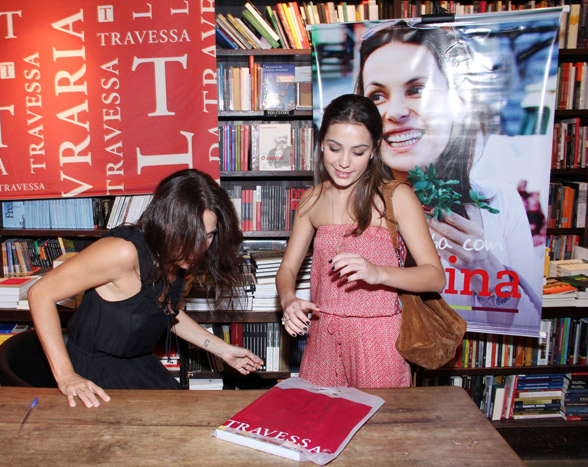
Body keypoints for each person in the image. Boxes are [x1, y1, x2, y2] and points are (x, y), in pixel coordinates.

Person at [355, 22, 542, 331]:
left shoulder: (501, 202)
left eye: (416, 90)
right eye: (377, 96)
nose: (396, 111)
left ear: (454, 101)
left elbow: (525, 325)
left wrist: (487, 268)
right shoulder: (355, 205)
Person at [29, 169, 263, 408]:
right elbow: (40, 294)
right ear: (165, 223)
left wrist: (222, 350)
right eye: (190, 235)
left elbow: (165, 310)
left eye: (209, 236)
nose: (200, 248)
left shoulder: (176, 258)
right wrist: (66, 376)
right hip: (94, 372)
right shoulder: (122, 252)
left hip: (137, 364)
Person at [276, 94, 446, 388]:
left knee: (381, 430)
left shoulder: (397, 196)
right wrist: (288, 299)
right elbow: (288, 269)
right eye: (334, 148)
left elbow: (435, 277)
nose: (343, 162)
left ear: (374, 150)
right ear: (321, 144)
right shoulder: (311, 200)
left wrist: (378, 272)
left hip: (379, 340)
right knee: (319, 425)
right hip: (322, 338)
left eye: (358, 152)